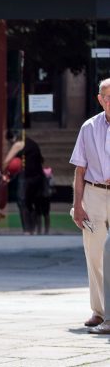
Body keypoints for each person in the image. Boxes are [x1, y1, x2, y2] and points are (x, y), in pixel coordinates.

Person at [70, 78, 110, 333]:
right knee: (94, 253)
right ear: (99, 99)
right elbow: (79, 169)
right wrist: (78, 205)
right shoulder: (88, 127)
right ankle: (99, 311)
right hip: (94, 194)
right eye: (106, 97)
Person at [3, 131, 50, 234]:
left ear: (13, 139)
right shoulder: (32, 143)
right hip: (38, 177)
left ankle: (27, 230)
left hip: (27, 177)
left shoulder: (19, 144)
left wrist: (2, 172)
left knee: (22, 203)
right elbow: (41, 160)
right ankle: (33, 229)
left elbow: (6, 161)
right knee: (31, 204)